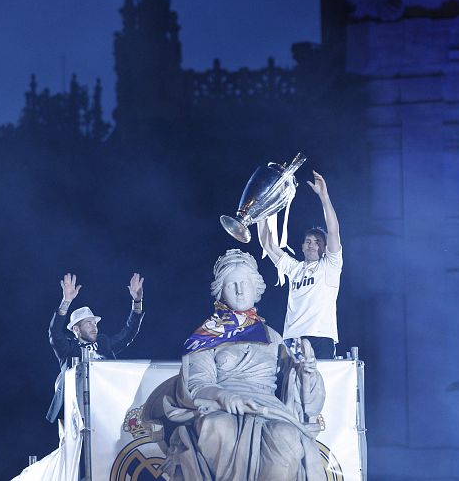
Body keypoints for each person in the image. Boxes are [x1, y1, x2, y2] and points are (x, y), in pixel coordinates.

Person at [143, 249, 326, 481]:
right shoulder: (206, 336)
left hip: (269, 409)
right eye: (232, 284)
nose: (240, 290)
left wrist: (306, 372)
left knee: (287, 435)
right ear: (221, 291)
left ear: (256, 288)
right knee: (218, 428)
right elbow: (197, 385)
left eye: (245, 283)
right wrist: (224, 397)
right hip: (221, 406)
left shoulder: (273, 337)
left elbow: (295, 391)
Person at [257, 170, 342, 359]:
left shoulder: (330, 266)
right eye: (308, 241)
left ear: (325, 248)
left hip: (321, 338)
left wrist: (324, 196)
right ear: (302, 247)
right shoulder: (294, 268)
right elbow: (268, 244)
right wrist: (261, 210)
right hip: (292, 338)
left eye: (318, 242)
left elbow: (333, 231)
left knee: (320, 387)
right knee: (291, 387)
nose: (312, 245)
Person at [45, 272, 145, 424]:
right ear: (76, 329)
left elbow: (128, 333)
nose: (94, 327)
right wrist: (66, 301)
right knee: (78, 445)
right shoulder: (69, 349)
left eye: (95, 323)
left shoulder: (103, 343)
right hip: (76, 410)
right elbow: (55, 333)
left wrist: (137, 301)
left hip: (104, 404)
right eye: (89, 323)